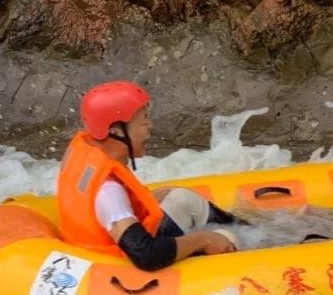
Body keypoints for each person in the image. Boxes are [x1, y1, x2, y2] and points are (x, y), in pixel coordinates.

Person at [56, 81, 239, 271]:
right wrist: (203, 240)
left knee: (181, 198)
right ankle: (250, 249)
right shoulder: (108, 191)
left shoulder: (88, 152)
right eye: (144, 121)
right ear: (116, 131)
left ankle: (251, 232)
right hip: (117, 263)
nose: (150, 126)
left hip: (100, 240)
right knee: (227, 236)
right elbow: (145, 254)